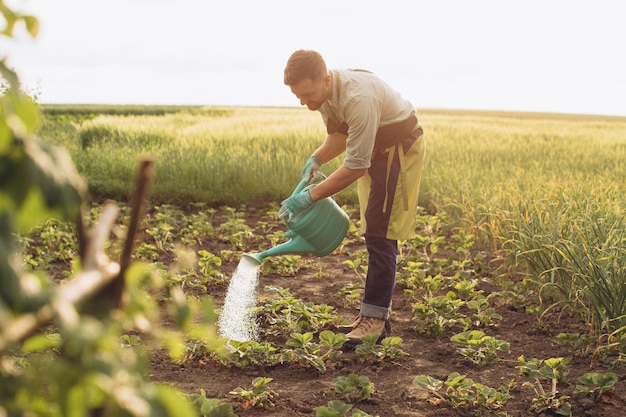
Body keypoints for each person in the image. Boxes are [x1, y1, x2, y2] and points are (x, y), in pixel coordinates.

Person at [279, 49, 425, 346]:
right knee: (373, 228)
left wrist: (311, 197)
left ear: (326, 78)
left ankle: (375, 321)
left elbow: (356, 167)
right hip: (375, 150)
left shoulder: (358, 98)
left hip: (398, 149)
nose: (304, 102)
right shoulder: (325, 95)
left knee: (381, 232)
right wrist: (317, 158)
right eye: (298, 97)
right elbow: (340, 136)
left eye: (307, 94)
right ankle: (371, 315)